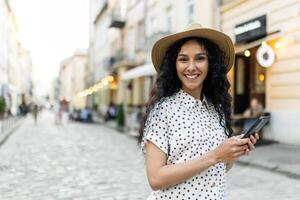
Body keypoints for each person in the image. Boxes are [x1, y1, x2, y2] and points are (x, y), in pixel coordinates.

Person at [139, 23, 259, 200]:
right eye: (183, 59)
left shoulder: (215, 109)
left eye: (200, 58)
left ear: (211, 63)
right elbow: (155, 178)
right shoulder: (163, 110)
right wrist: (215, 155)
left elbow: (219, 167)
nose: (191, 67)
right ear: (174, 65)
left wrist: (232, 152)